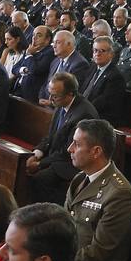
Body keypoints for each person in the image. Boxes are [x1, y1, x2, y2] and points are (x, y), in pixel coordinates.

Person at [64, 119, 131, 261]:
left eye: (76, 144)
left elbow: (99, 253)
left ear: (96, 151)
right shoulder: (80, 179)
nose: (70, 149)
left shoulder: (119, 193)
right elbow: (63, 224)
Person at [27, 72, 98, 204]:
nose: (50, 99)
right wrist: (36, 153)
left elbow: (69, 151)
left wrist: (40, 164)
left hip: (72, 162)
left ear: (70, 94)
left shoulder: (83, 114)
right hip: (57, 155)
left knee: (39, 179)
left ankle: (51, 213)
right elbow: (51, 136)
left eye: (55, 96)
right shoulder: (61, 104)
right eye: (50, 94)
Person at [78, 35, 127, 124]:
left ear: (111, 54)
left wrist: (80, 109)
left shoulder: (115, 77)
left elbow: (102, 103)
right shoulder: (92, 67)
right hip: (86, 111)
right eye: (95, 50)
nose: (97, 54)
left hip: (101, 118)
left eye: (102, 51)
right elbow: (82, 89)